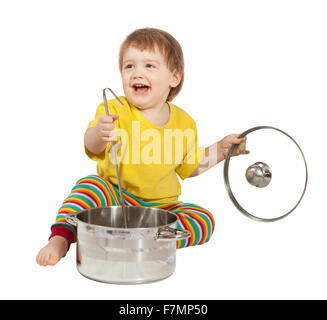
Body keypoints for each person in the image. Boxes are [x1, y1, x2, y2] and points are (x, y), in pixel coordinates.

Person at [36, 28, 249, 266]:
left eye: (149, 66)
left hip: (160, 210)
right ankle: (62, 237)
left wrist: (221, 149)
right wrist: (99, 133)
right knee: (89, 186)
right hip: (115, 199)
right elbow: (91, 146)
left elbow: (190, 166)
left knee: (203, 219)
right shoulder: (115, 109)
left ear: (174, 78)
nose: (137, 72)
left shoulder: (185, 122)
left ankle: (139, 242)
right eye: (129, 66)